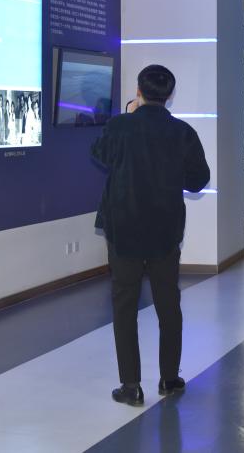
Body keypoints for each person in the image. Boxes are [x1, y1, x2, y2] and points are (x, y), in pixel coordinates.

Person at [91, 65, 210, 407]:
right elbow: (198, 180)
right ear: (169, 95)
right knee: (168, 305)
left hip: (123, 230)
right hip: (165, 231)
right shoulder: (182, 132)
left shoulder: (121, 126)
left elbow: (99, 154)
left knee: (124, 306)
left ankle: (131, 386)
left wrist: (128, 116)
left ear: (139, 92)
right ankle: (169, 379)